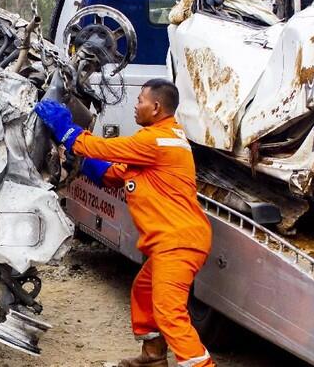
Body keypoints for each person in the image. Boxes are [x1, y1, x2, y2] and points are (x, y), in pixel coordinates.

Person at [34, 78, 214, 367]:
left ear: (155, 107)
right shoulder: (162, 140)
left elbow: (98, 148)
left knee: (170, 311)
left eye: (140, 99)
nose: (135, 104)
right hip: (175, 240)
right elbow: (114, 174)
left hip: (178, 242)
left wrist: (66, 128)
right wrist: (84, 161)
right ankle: (153, 358)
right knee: (145, 290)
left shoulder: (154, 141)